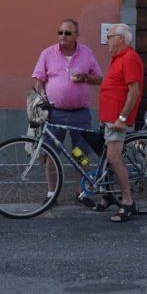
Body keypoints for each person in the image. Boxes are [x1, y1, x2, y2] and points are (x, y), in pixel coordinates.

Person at [31, 18, 103, 203]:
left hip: (80, 113)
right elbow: (38, 79)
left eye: (67, 33)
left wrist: (85, 77)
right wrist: (42, 97)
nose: (63, 35)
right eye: (60, 32)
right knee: (51, 154)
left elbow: (99, 78)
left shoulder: (86, 53)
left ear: (76, 35)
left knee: (81, 154)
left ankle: (82, 192)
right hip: (55, 113)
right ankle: (51, 194)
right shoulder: (47, 53)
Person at [99, 23, 144, 223]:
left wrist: (122, 118)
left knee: (114, 157)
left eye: (109, 37)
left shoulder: (130, 58)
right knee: (107, 158)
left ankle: (127, 202)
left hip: (117, 119)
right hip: (109, 117)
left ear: (121, 39)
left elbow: (134, 91)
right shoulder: (118, 58)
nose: (107, 41)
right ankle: (109, 195)